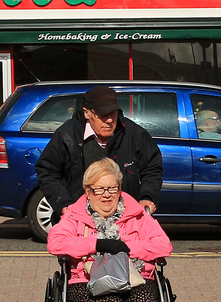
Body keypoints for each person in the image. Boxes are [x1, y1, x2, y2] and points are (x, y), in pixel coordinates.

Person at [46, 159, 172, 302]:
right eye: (99, 189)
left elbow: (164, 246)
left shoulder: (137, 215)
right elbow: (56, 243)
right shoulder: (75, 215)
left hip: (136, 279)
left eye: (112, 189)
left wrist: (126, 248)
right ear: (88, 191)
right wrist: (98, 244)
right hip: (87, 280)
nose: (106, 195)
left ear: (119, 188)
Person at [36, 86, 162, 222]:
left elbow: (152, 168)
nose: (109, 120)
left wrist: (147, 197)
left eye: (113, 114)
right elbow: (47, 171)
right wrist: (64, 204)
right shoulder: (67, 135)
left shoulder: (134, 134)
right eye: (102, 115)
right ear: (86, 113)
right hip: (78, 218)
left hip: (124, 219)